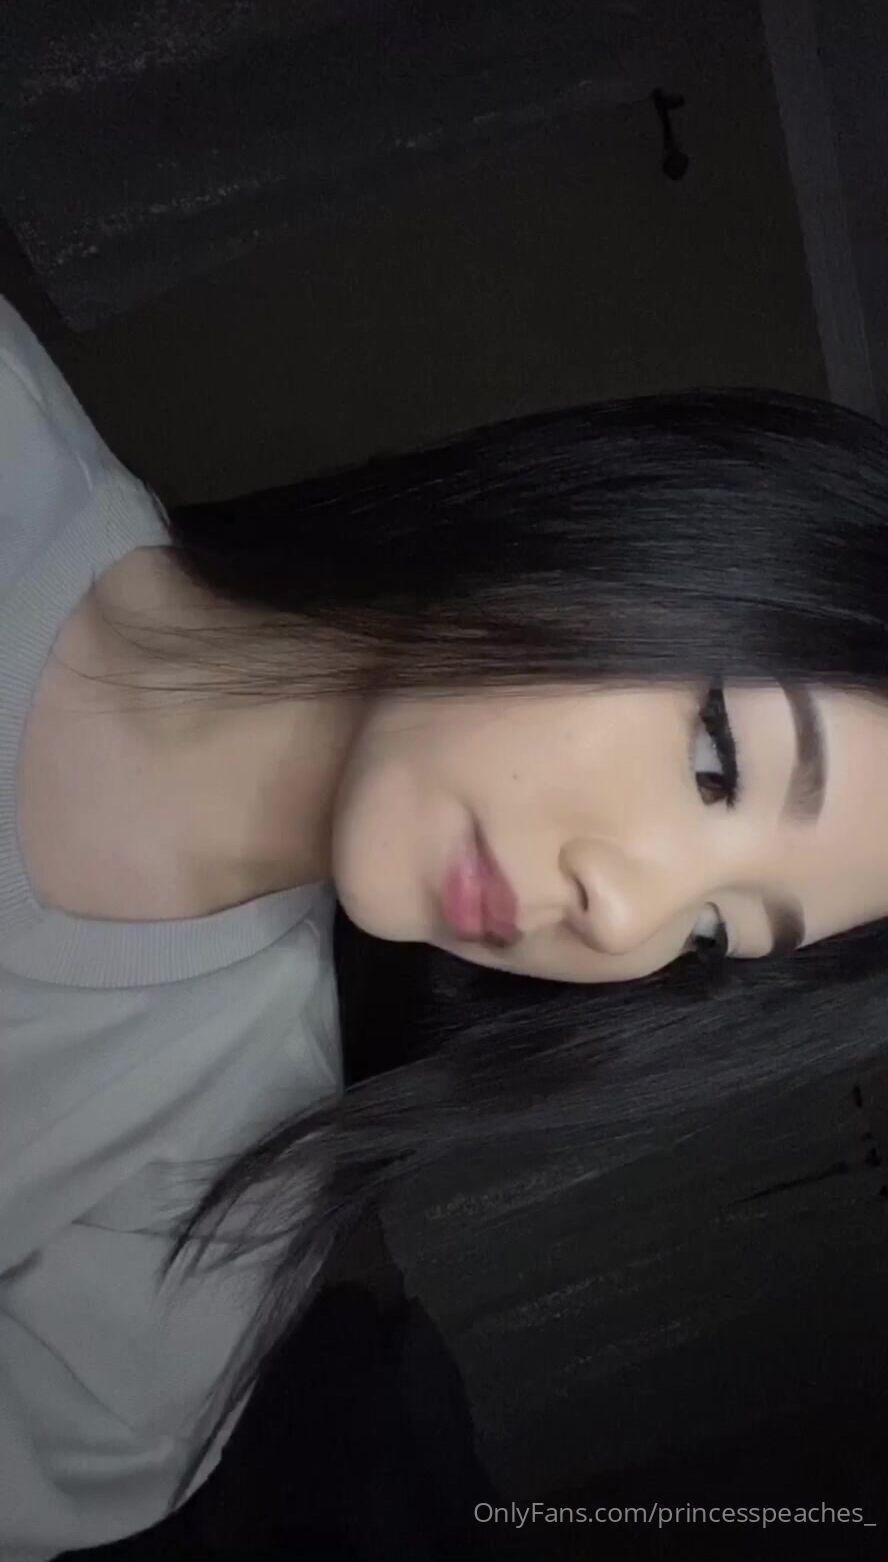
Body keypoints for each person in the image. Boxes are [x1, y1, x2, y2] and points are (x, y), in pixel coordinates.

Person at [3, 287, 888, 1558]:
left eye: (713, 932)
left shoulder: (199, 1229)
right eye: (716, 758)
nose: (625, 915)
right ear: (621, 528)